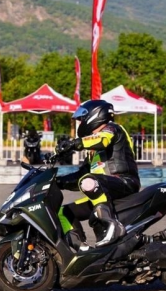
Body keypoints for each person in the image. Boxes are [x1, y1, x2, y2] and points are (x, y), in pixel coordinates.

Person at [54, 100, 141, 249]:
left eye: (82, 119)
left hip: (124, 182)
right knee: (64, 212)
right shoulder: (93, 151)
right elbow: (80, 177)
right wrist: (57, 182)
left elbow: (102, 139)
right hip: (102, 191)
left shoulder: (112, 128)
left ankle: (111, 225)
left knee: (89, 180)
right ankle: (81, 250)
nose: (80, 123)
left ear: (95, 115)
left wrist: (75, 143)